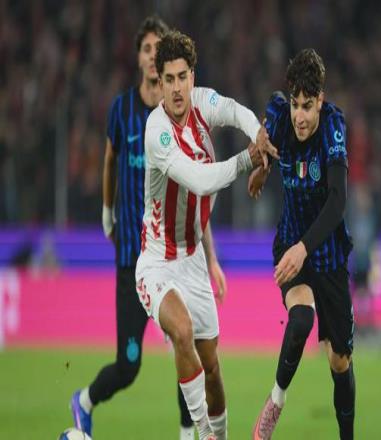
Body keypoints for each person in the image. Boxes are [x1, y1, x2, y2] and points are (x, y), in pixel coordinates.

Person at [135, 29, 277, 440]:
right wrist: (247, 159)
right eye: (169, 79)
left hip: (194, 258)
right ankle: (204, 434)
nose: (177, 88)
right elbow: (199, 180)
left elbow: (233, 110)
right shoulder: (157, 130)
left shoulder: (201, 103)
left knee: (212, 367)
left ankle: (221, 435)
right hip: (157, 261)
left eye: (183, 77)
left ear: (192, 77)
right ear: (160, 83)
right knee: (181, 331)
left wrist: (258, 136)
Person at [69, 16, 203, 440]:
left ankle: (187, 435)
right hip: (132, 257)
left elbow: (193, 189)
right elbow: (110, 160)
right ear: (140, 58)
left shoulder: (177, 116)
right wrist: (107, 210)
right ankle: (84, 400)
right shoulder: (122, 110)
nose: (152, 57)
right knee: (128, 365)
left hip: (172, 257)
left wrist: (210, 256)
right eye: (146, 49)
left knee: (185, 341)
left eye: (158, 50)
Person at [249, 49, 356, 440]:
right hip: (290, 245)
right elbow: (266, 128)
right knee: (301, 319)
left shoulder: (332, 127)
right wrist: (262, 166)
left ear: (320, 101)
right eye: (296, 104)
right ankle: (275, 402)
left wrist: (304, 248)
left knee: (339, 361)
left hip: (326, 254)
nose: (300, 116)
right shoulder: (280, 115)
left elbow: (338, 201)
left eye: (307, 106)